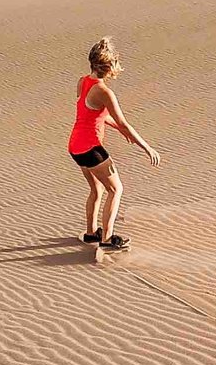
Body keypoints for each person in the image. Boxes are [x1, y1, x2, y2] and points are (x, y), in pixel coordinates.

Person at [68, 36, 159, 251]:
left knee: (97, 189)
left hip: (75, 146)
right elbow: (123, 122)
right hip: (91, 149)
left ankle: (91, 234)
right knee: (116, 190)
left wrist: (118, 129)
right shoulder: (105, 92)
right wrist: (147, 147)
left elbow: (92, 116)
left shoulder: (82, 82)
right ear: (109, 66)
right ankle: (107, 238)